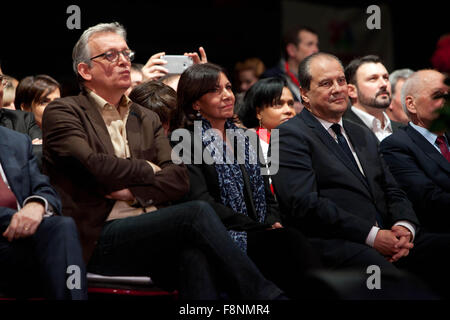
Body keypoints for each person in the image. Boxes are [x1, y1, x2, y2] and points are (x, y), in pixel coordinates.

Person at [42, 22, 284, 300]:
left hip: (154, 228)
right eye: (110, 55)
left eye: (126, 54)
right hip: (98, 236)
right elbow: (93, 165)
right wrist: (148, 169)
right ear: (85, 70)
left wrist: (133, 190)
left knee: (194, 253)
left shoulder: (145, 117)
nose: (123, 61)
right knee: (195, 213)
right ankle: (267, 297)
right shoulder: (64, 111)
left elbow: (178, 179)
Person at [272, 52, 450, 298]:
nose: (337, 89)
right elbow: (303, 203)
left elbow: (393, 188)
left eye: (341, 81)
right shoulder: (288, 135)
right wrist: (373, 236)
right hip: (337, 243)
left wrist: (404, 227)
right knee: (397, 285)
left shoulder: (361, 133)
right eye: (326, 83)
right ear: (304, 94)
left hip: (390, 237)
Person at [174, 63, 322, 299]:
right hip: (223, 233)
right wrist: (257, 226)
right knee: (289, 244)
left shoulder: (246, 138)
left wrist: (272, 220)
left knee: (294, 240)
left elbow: (268, 194)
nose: (227, 96)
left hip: (259, 228)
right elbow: (201, 202)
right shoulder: (185, 141)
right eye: (215, 90)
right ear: (195, 103)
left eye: (229, 88)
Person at [0, 74, 86, 300]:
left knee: (63, 227)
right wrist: (14, 218)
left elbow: (43, 187)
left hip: (21, 242)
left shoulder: (15, 141)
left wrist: (37, 205)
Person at [380, 69, 450, 233]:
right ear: (411, 104)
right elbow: (428, 199)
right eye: (438, 95)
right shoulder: (396, 146)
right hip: (435, 232)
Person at [343, 55, 403, 141]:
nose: (384, 84)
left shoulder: (404, 130)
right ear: (352, 91)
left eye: (385, 78)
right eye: (373, 79)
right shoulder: (342, 131)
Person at [237, 77, 296, 163]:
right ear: (258, 112)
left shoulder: (302, 140)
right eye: (278, 104)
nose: (289, 110)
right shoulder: (248, 146)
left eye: (291, 104)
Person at [262, 26, 319, 113]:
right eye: (310, 44)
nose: (316, 50)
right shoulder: (271, 78)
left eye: (316, 45)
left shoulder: (318, 77)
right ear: (292, 50)